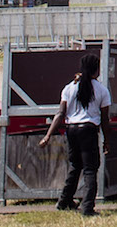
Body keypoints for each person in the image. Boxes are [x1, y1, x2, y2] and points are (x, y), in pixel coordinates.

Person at [45, 49, 109, 216]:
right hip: (89, 130)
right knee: (90, 169)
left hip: (71, 130)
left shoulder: (69, 88)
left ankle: (64, 201)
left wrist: (48, 135)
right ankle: (87, 208)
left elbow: (60, 113)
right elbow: (105, 119)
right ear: (97, 69)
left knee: (75, 166)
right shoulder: (101, 90)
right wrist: (106, 140)